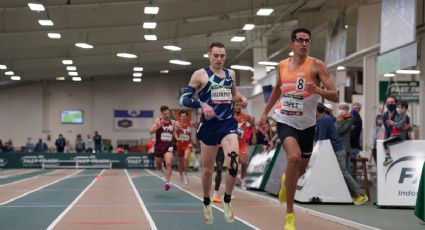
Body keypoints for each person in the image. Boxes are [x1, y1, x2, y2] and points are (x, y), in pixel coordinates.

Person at [259, 28, 338, 230]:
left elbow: (335, 95)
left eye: (307, 41)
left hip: (308, 124)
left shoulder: (317, 66)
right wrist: (264, 113)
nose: (304, 44)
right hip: (285, 119)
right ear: (291, 44)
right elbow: (278, 88)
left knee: (301, 168)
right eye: (300, 40)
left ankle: (287, 179)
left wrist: (318, 90)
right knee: (293, 158)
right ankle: (290, 214)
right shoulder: (282, 65)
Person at [179, 42, 247, 224]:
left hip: (227, 124)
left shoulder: (230, 74)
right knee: (208, 170)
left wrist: (241, 98)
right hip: (209, 127)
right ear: (209, 55)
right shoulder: (200, 75)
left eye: (222, 56)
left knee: (233, 162)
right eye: (215, 56)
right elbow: (183, 99)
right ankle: (207, 202)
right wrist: (202, 104)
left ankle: (226, 200)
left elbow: (233, 94)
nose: (219, 59)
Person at [316, 103, 368, 205]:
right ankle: (354, 195)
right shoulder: (325, 119)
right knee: (342, 172)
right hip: (335, 149)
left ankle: (361, 194)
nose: (341, 110)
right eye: (340, 108)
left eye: (343, 108)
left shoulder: (328, 119)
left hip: (339, 150)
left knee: (344, 172)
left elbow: (324, 136)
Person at [149, 105, 176, 191]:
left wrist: (177, 138)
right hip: (159, 147)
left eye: (168, 113)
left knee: (168, 163)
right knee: (159, 167)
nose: (167, 115)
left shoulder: (173, 122)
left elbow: (174, 133)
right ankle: (162, 169)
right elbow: (150, 132)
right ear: (162, 114)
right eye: (165, 114)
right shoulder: (158, 121)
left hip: (169, 147)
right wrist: (158, 126)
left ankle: (167, 182)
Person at [234, 100, 257, 189]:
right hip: (233, 144)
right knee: (234, 164)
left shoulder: (245, 116)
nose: (238, 107)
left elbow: (253, 124)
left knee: (244, 162)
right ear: (234, 106)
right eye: (237, 105)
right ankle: (232, 181)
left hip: (242, 144)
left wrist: (254, 136)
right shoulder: (230, 117)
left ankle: (243, 179)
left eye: (240, 105)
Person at [382, 100, 409, 166]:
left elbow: (400, 126)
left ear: (405, 109)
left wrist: (392, 123)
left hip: (400, 136)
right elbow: (395, 126)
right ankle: (388, 157)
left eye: (401, 107)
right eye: (398, 107)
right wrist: (390, 123)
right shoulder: (397, 116)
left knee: (385, 143)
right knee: (386, 142)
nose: (399, 109)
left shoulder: (405, 116)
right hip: (395, 134)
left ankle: (388, 157)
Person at [174, 110, 193, 184]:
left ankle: (185, 175)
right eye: (182, 116)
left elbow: (198, 127)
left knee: (186, 158)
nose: (183, 117)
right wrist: (176, 138)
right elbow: (174, 132)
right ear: (180, 117)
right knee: (180, 162)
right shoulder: (177, 123)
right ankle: (181, 174)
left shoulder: (190, 123)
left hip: (188, 143)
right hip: (180, 144)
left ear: (187, 116)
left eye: (185, 116)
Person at [348, 102, 362, 172]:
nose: (354, 110)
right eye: (353, 108)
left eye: (356, 108)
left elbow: (352, 133)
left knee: (350, 167)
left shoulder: (357, 119)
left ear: (359, 110)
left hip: (353, 146)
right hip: (350, 145)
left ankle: (351, 183)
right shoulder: (350, 117)